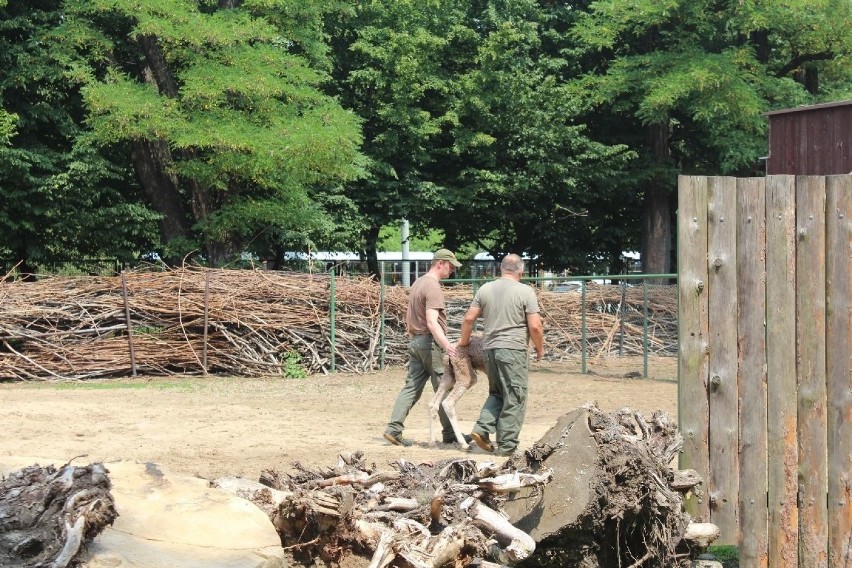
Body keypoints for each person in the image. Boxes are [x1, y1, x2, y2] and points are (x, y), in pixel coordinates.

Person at [457, 253, 544, 456]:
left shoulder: (485, 289)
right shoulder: (526, 291)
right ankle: (507, 446)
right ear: (520, 271)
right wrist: (540, 348)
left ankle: (481, 429)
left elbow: (469, 319)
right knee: (515, 396)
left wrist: (464, 341)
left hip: (490, 350)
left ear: (502, 269)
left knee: (497, 394)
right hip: (513, 351)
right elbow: (535, 326)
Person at [383, 248, 463, 447]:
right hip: (430, 343)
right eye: (450, 265)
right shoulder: (433, 287)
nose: (452, 270)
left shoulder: (418, 282)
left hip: (415, 342)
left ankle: (393, 429)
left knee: (411, 387)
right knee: (444, 385)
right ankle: (451, 434)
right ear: (440, 263)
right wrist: (446, 345)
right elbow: (432, 321)